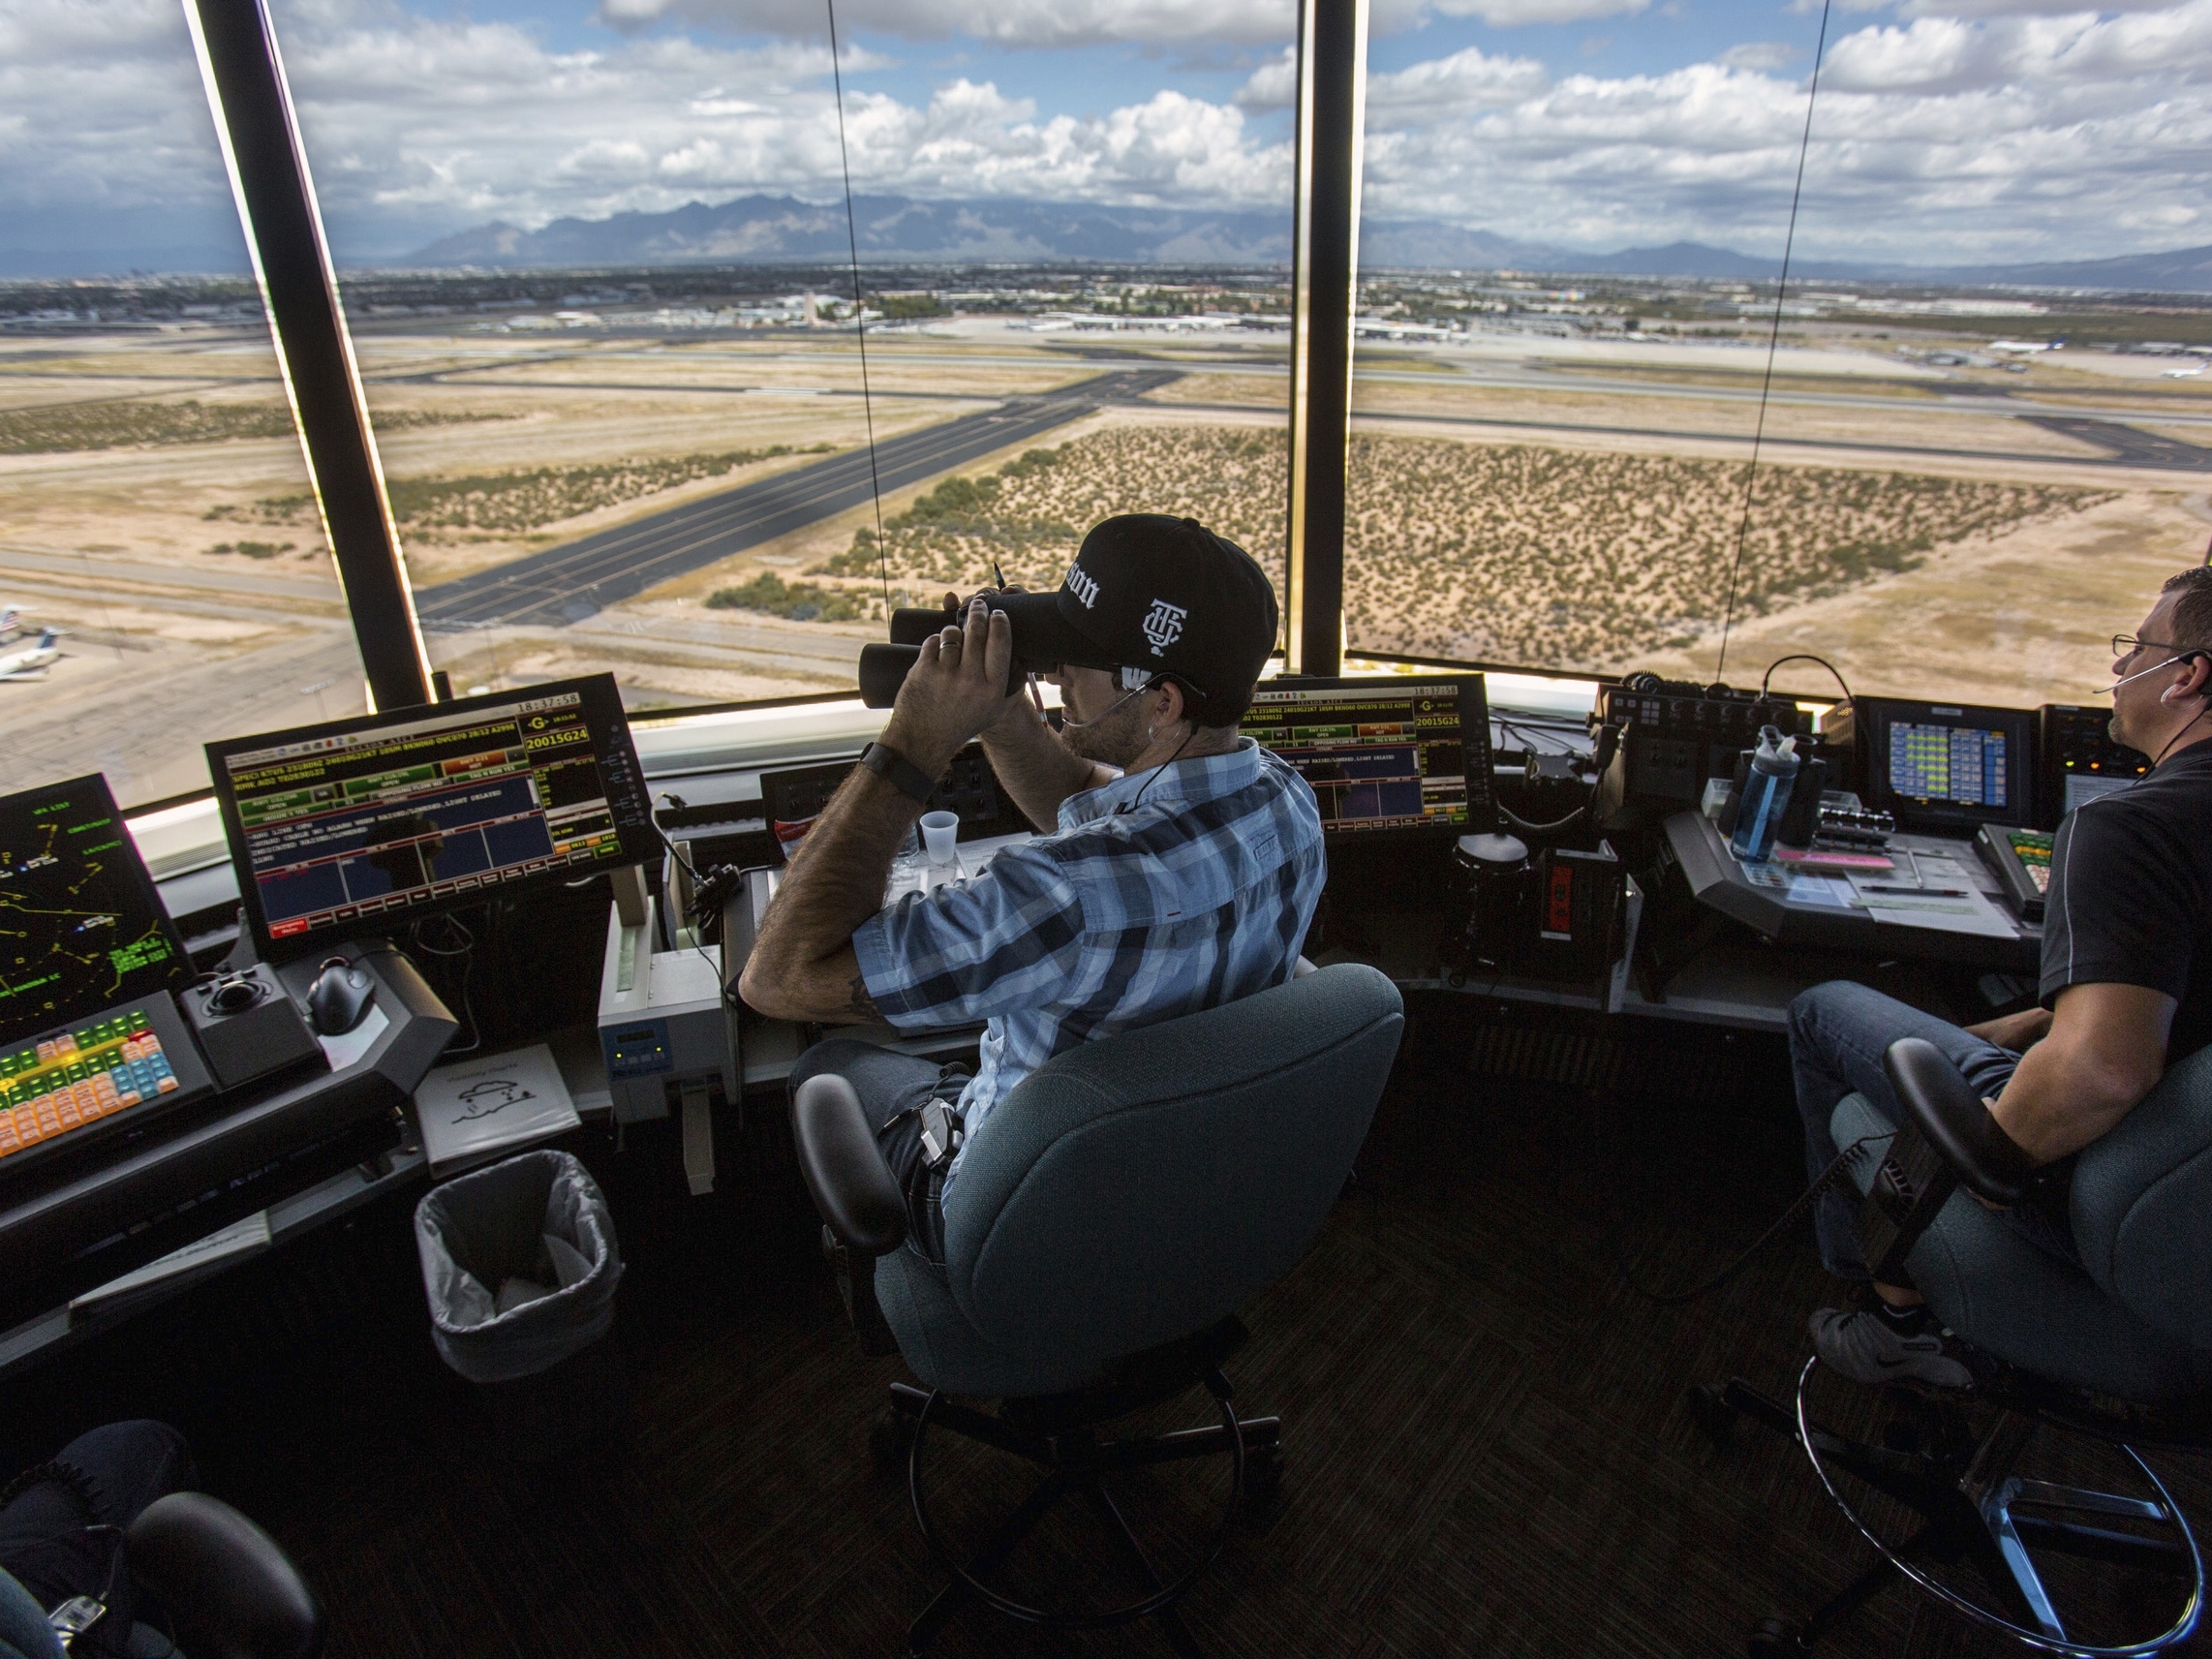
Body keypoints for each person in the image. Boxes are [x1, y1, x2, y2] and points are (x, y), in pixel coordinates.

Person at [739, 514, 1325, 1264]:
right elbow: (1092, 804)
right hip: (1173, 1191)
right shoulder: (1287, 804)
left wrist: (917, 737)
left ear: (1162, 702)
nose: (1056, 673)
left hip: (1019, 1226)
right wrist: (1002, 715)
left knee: (828, 1067)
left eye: (1079, 657)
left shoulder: (1059, 899)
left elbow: (778, 978)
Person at [1792, 564, 2212, 1386]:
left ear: (2190, 676)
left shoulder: (2129, 827)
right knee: (1991, 1014)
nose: (2123, 669)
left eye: (2139, 649)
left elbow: (2104, 1068)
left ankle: (1883, 1306)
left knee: (1822, 1010)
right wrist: (2031, 1024)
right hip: (2192, 1212)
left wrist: (1990, 1155)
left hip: (2103, 1196)